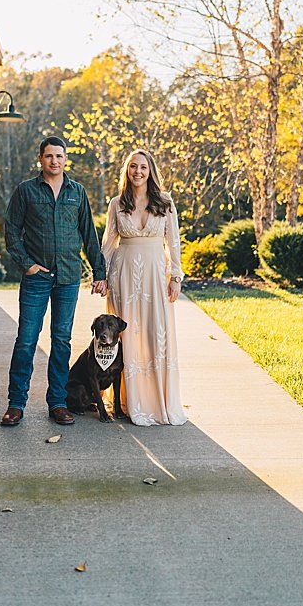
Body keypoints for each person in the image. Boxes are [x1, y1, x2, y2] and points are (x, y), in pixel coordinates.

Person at [0, 137, 107, 426]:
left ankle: (58, 402)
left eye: (59, 156)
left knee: (61, 341)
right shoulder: (26, 191)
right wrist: (28, 265)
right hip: (37, 279)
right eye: (49, 156)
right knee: (26, 341)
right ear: (41, 159)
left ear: (65, 159)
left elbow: (88, 234)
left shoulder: (77, 192)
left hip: (69, 277)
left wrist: (99, 272)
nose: (54, 161)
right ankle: (16, 404)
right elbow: (11, 231)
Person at [102, 148, 187, 426]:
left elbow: (173, 242)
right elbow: (108, 243)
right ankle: (128, 401)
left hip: (154, 276)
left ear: (150, 172)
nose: (137, 171)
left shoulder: (165, 202)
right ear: (127, 171)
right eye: (132, 167)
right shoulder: (117, 203)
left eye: (143, 167)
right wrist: (101, 275)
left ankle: (158, 401)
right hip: (123, 276)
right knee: (126, 336)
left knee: (155, 334)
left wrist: (176, 276)